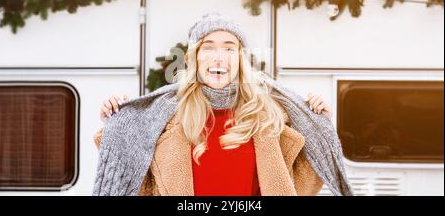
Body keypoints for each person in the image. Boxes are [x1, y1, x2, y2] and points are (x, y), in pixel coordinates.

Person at [93, 12, 352, 196]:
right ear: (195, 57)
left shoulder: (268, 114)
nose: (219, 57)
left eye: (229, 48)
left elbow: (299, 183)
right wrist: (116, 120)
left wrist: (321, 125)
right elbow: (142, 186)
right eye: (209, 47)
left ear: (240, 59)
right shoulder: (165, 117)